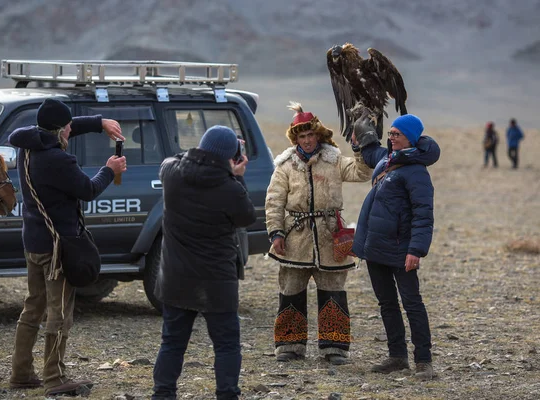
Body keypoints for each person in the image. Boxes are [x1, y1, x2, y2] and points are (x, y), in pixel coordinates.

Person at [7, 98, 127, 396]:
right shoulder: (58, 161)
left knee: (33, 307)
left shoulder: (28, 145)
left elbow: (62, 128)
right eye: (69, 127)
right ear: (58, 130)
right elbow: (88, 190)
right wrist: (109, 170)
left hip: (33, 242)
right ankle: (54, 378)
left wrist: (98, 123)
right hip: (57, 249)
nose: (72, 130)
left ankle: (21, 373)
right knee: (59, 312)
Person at [152, 125, 256, 400]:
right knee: (226, 345)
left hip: (175, 276)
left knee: (172, 342)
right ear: (232, 157)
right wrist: (238, 178)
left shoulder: (172, 174)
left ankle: (163, 394)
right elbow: (246, 217)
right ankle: (227, 395)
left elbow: (169, 160)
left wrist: (203, 154)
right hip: (216, 280)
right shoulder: (229, 188)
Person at [265, 102, 372, 365]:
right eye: (302, 136)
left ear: (318, 134)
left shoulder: (335, 160)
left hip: (331, 236)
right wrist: (276, 233)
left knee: (333, 291)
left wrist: (360, 149)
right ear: (296, 139)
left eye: (310, 135)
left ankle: (334, 347)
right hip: (295, 237)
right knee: (290, 291)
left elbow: (362, 172)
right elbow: (274, 201)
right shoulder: (285, 166)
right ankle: (289, 346)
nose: (307, 140)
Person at [350, 112, 440, 381]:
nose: (391, 137)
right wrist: (360, 137)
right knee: (387, 303)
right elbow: (370, 154)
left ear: (410, 138)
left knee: (412, 304)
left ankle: (423, 361)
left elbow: (424, 214)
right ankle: (397, 357)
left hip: (402, 251)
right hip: (376, 247)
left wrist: (416, 250)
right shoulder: (388, 159)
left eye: (396, 134)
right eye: (389, 133)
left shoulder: (416, 172)